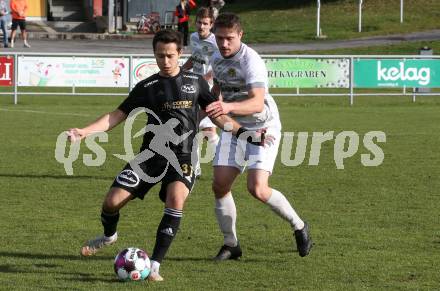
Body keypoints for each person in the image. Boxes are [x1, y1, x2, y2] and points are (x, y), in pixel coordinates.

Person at [66, 29, 268, 282]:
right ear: (155, 55)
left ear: (180, 54)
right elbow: (116, 115)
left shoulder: (196, 83)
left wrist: (247, 134)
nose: (165, 60)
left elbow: (218, 116)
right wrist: (84, 132)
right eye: (160, 55)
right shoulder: (146, 87)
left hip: (183, 157)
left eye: (170, 55)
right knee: (111, 202)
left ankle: (155, 265)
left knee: (175, 199)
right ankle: (109, 236)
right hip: (150, 156)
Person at [205, 13, 313, 260]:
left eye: (229, 38)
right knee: (220, 184)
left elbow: (255, 103)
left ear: (240, 35)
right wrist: (214, 100)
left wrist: (227, 108)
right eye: (219, 38)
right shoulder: (216, 57)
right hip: (234, 127)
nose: (223, 44)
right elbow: (218, 89)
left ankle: (299, 226)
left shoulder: (251, 61)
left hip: (263, 126)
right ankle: (231, 244)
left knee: (257, 188)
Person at [182, 7, 219, 177]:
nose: (201, 26)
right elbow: (195, 56)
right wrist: (182, 70)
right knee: (193, 129)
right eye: (199, 22)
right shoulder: (193, 37)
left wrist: (206, 78)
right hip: (193, 87)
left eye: (205, 23)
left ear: (211, 25)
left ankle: (226, 159)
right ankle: (195, 169)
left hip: (209, 88)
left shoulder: (216, 41)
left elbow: (219, 66)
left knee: (208, 131)